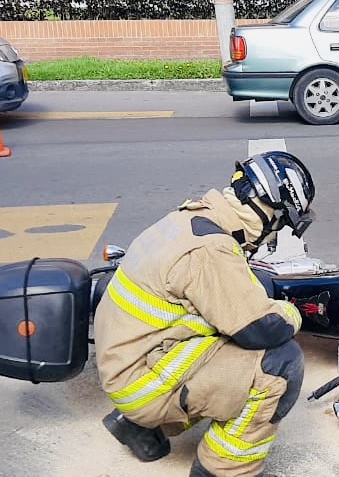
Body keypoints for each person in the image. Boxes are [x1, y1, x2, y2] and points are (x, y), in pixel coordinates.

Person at [94, 151, 315, 477]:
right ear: (270, 211)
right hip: (140, 381)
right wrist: (289, 312)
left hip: (128, 360)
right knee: (279, 366)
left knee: (229, 343)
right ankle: (221, 470)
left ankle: (137, 427)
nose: (275, 233)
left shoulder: (189, 219)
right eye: (281, 223)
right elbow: (262, 328)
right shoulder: (210, 249)